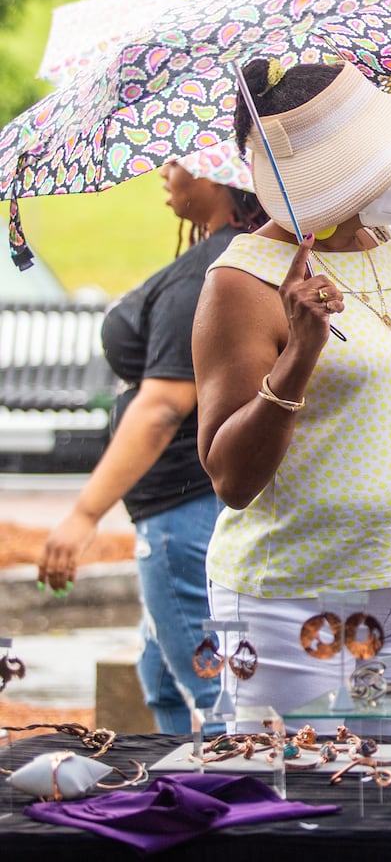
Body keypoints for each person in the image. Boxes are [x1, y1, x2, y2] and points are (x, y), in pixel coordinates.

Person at [192, 58, 391, 723]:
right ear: (330, 169)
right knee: (293, 800)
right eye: (381, 156)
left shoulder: (382, 248)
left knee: (382, 801)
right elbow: (230, 477)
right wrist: (299, 357)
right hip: (291, 599)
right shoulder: (240, 283)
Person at [38, 160, 268, 732]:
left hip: (183, 511)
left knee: (218, 701)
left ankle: (226, 809)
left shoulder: (209, 276)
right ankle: (172, 793)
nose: (164, 170)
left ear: (218, 171)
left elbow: (163, 408)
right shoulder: (238, 260)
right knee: (163, 684)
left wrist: (82, 515)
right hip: (193, 508)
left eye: (178, 160)